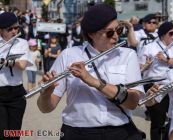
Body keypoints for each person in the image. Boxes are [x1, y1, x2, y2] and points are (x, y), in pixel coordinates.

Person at [37, 4, 145, 140]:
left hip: (120, 132)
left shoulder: (128, 55)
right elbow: (45, 108)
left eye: (119, 30)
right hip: (77, 133)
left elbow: (132, 102)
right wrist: (45, 95)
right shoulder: (69, 55)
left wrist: (93, 82)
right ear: (92, 34)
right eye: (110, 33)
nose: (116, 37)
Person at [138, 21, 173, 140]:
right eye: (171, 33)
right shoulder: (148, 48)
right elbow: (138, 69)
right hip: (155, 86)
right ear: (162, 35)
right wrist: (146, 65)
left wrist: (167, 59)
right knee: (158, 121)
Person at [0, 12, 31, 139]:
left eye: (16, 28)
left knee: (14, 134)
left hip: (16, 93)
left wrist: (6, 62)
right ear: (1, 30)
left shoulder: (22, 43)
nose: (14, 31)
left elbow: (23, 65)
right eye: (10, 29)